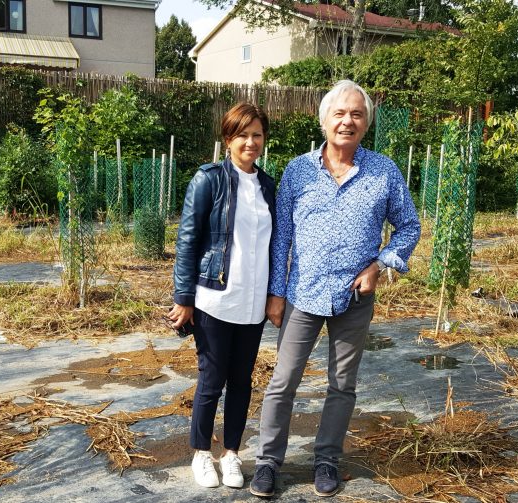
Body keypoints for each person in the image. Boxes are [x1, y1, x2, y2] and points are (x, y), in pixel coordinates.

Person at [249, 80, 421, 498]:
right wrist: (276, 293)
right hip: (302, 294)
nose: (347, 121)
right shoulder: (298, 170)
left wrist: (380, 265)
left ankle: (326, 459)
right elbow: (282, 238)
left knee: (342, 384)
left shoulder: (384, 171)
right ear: (324, 121)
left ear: (366, 123)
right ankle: (268, 462)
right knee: (283, 381)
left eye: (356, 114)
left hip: (354, 297)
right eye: (339, 114)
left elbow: (409, 227)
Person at [169, 102, 276, 489]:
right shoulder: (209, 180)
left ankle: (231, 453)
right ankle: (201, 453)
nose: (250, 142)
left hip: (253, 302)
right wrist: (183, 297)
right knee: (212, 379)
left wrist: (274, 295)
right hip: (214, 298)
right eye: (242, 135)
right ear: (228, 139)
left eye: (257, 135)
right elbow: (187, 240)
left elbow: (274, 244)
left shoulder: (267, 186)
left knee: (243, 381)